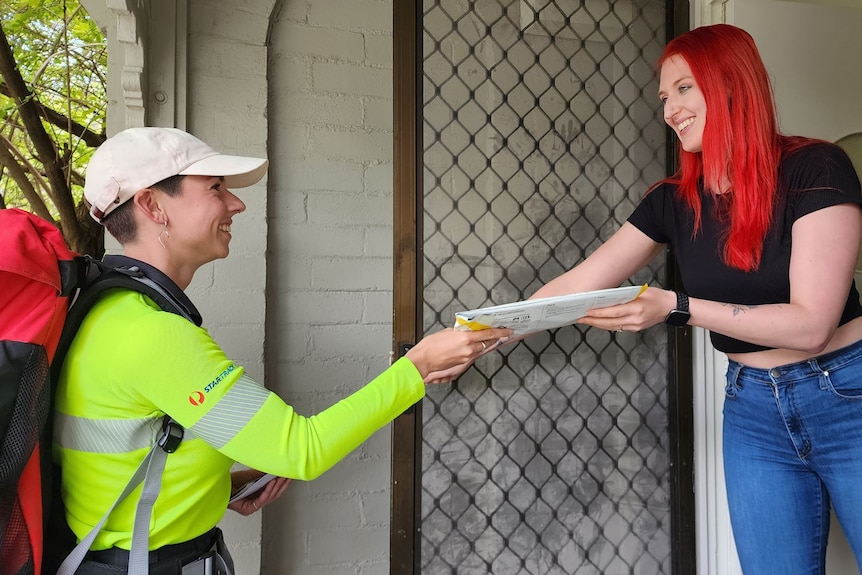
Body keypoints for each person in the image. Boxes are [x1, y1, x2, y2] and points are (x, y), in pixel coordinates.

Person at [430, 23, 862, 574]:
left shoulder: (816, 169)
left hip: (846, 392)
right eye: (664, 95)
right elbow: (580, 281)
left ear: (733, 83)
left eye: (684, 88)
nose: (669, 109)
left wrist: (675, 306)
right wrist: (476, 337)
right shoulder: (672, 201)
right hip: (753, 408)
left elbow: (811, 325)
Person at [53, 126, 512, 574]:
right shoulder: (152, 334)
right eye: (215, 187)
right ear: (153, 205)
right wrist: (416, 368)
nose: (237, 202)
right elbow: (301, 450)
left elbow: (123, 453)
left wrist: (218, 489)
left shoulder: (112, 311)